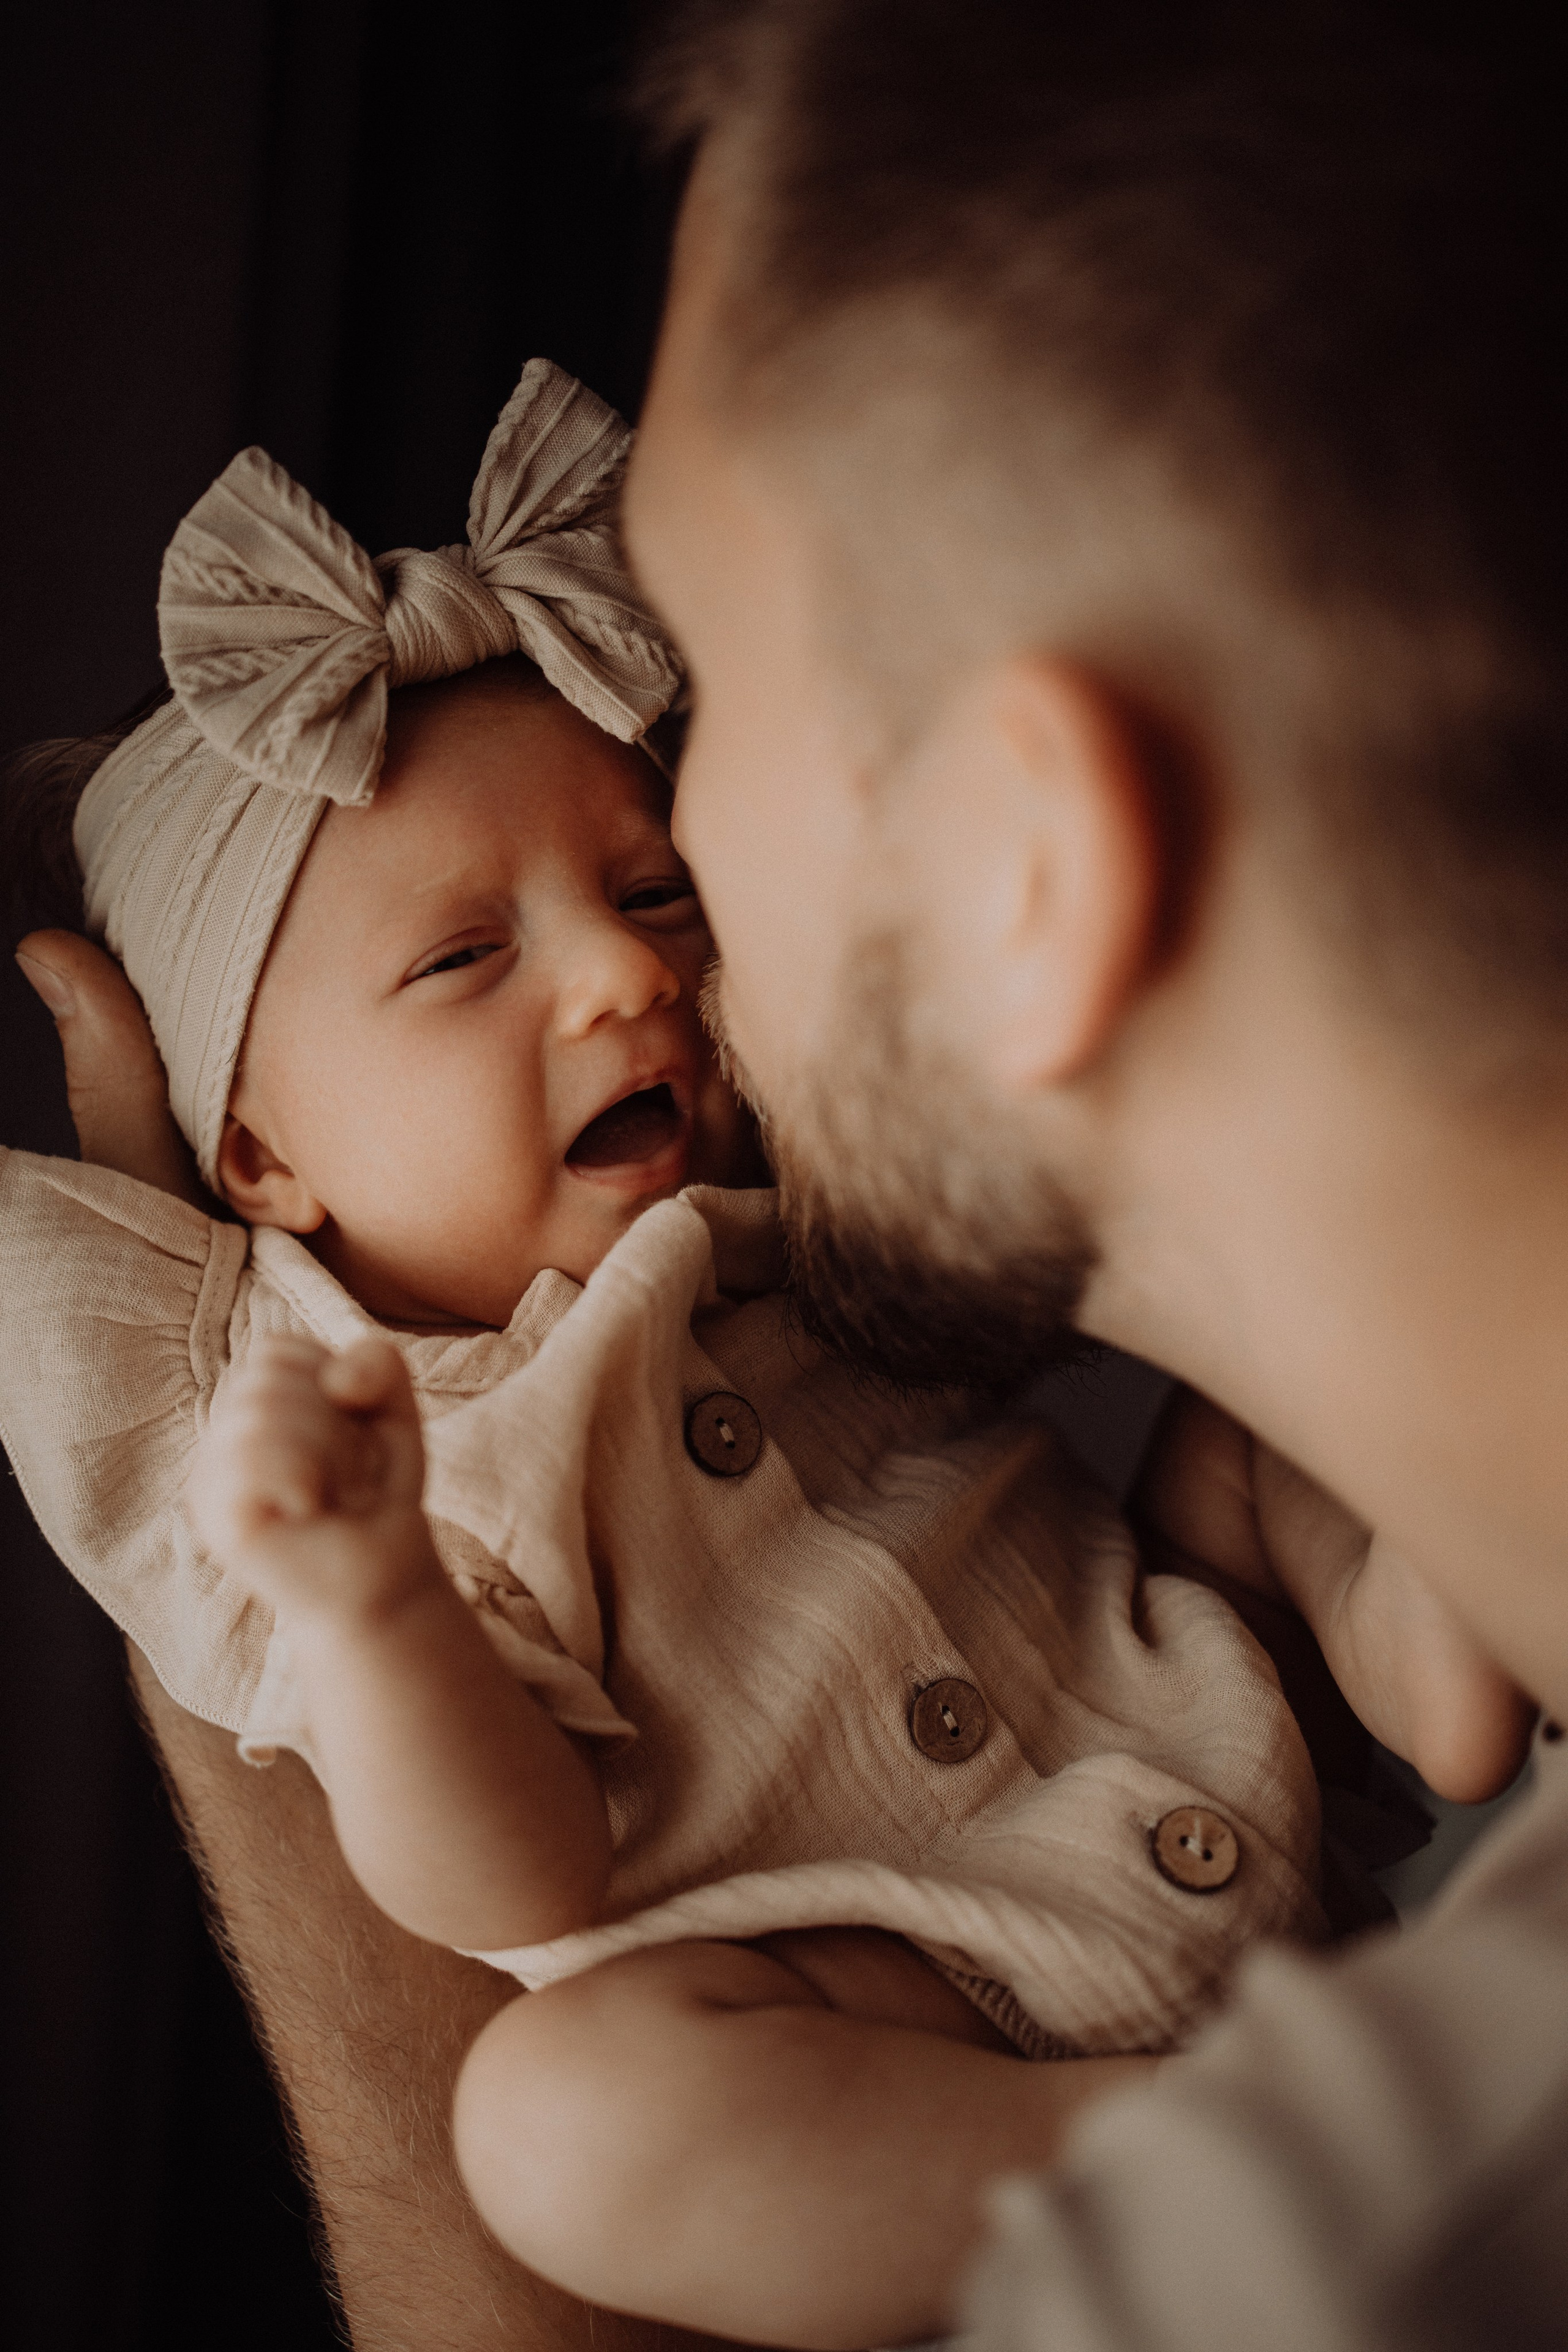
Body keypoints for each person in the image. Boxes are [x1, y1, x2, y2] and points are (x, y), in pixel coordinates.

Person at [12, 0, 1561, 2342]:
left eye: (674, 830)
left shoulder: (759, 1260)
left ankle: (1389, 1646)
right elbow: (498, 1846)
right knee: (567, 2116)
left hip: (1177, 1726)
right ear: (261, 1149)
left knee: (1251, 1489)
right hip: (909, 1989)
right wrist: (340, 1604)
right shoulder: (388, 1454)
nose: (655, 969)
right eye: (461, 958)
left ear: (1025, 867)